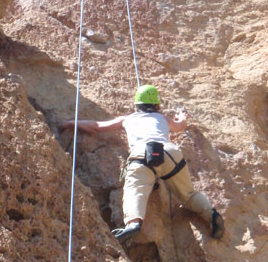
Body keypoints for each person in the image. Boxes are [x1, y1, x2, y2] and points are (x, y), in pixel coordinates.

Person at [59, 84, 225, 242]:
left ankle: (133, 223)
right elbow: (180, 126)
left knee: (135, 188)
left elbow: (97, 126)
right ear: (156, 105)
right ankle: (212, 216)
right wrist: (182, 116)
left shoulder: (127, 119)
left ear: (136, 105)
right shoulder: (162, 118)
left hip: (142, 154)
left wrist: (70, 123)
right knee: (187, 194)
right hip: (169, 152)